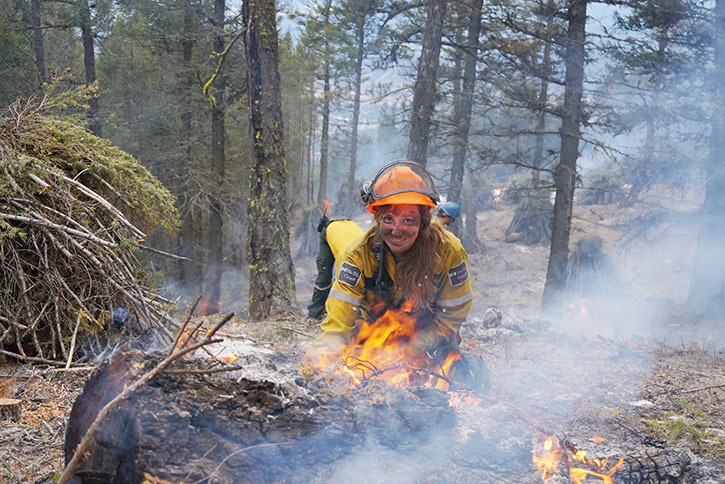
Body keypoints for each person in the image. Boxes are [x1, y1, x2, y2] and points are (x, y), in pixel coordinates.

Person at [306, 160, 488, 390]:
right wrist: (317, 363)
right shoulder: (359, 255)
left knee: (462, 378)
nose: (397, 229)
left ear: (423, 222)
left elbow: (452, 317)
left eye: (408, 220)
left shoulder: (448, 250)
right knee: (352, 371)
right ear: (377, 219)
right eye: (388, 219)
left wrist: (409, 350)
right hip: (372, 337)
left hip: (427, 337)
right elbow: (337, 324)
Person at [308, 212, 365, 320]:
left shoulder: (329, 229)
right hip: (351, 242)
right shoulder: (348, 263)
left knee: (326, 276)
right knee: (326, 275)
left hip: (352, 247)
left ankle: (316, 313)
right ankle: (315, 313)